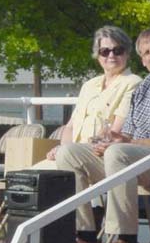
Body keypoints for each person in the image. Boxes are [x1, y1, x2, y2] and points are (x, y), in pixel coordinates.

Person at [57, 28, 150, 243]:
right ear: (141, 59)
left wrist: (125, 144)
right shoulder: (144, 88)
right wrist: (111, 141)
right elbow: (127, 134)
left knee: (119, 153)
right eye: (146, 53)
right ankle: (86, 237)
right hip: (138, 161)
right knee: (69, 153)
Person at [43, 26, 141, 165]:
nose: (111, 56)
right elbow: (70, 126)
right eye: (105, 51)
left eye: (118, 50)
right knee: (36, 175)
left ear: (127, 54)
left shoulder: (133, 83)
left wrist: (69, 151)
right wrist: (63, 148)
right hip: (74, 152)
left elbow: (115, 132)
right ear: (98, 56)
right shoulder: (89, 85)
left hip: (104, 154)